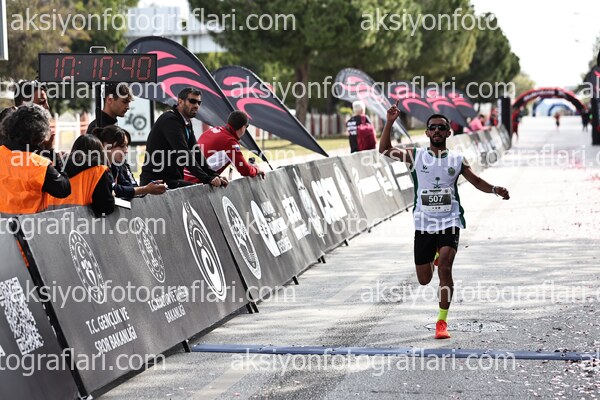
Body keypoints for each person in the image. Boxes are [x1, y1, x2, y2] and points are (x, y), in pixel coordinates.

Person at [379, 103, 510, 340]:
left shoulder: (457, 159)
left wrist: (494, 189)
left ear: (449, 132)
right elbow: (385, 149)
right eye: (433, 128)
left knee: (446, 270)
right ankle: (435, 256)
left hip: (450, 220)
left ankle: (441, 321)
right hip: (424, 223)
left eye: (441, 127)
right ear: (427, 132)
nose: (437, 131)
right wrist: (389, 121)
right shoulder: (416, 155)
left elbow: (476, 181)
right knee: (424, 279)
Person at [140, 87, 227, 189]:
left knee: (202, 190)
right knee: (199, 191)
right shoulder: (170, 120)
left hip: (172, 180)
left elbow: (196, 152)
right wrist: (206, 179)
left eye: (199, 103)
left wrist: (214, 175)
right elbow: (183, 153)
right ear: (180, 101)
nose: (196, 106)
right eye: (192, 101)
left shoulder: (186, 122)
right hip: (156, 181)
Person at [0, 105, 70, 215]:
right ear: (39, 135)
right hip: (31, 224)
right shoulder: (39, 165)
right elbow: (64, 189)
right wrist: (51, 152)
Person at [184, 111, 265, 183]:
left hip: (185, 175)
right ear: (243, 128)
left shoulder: (214, 130)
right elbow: (244, 170)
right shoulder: (230, 141)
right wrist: (256, 170)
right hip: (195, 181)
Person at [45, 135, 114, 216]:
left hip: (51, 218)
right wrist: (112, 195)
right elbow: (104, 208)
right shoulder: (99, 170)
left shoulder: (58, 168)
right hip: (82, 220)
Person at [93, 125, 167, 199]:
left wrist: (147, 188)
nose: (126, 151)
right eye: (122, 146)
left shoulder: (115, 167)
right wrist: (145, 189)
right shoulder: (97, 166)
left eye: (127, 146)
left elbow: (127, 186)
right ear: (106, 145)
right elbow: (114, 189)